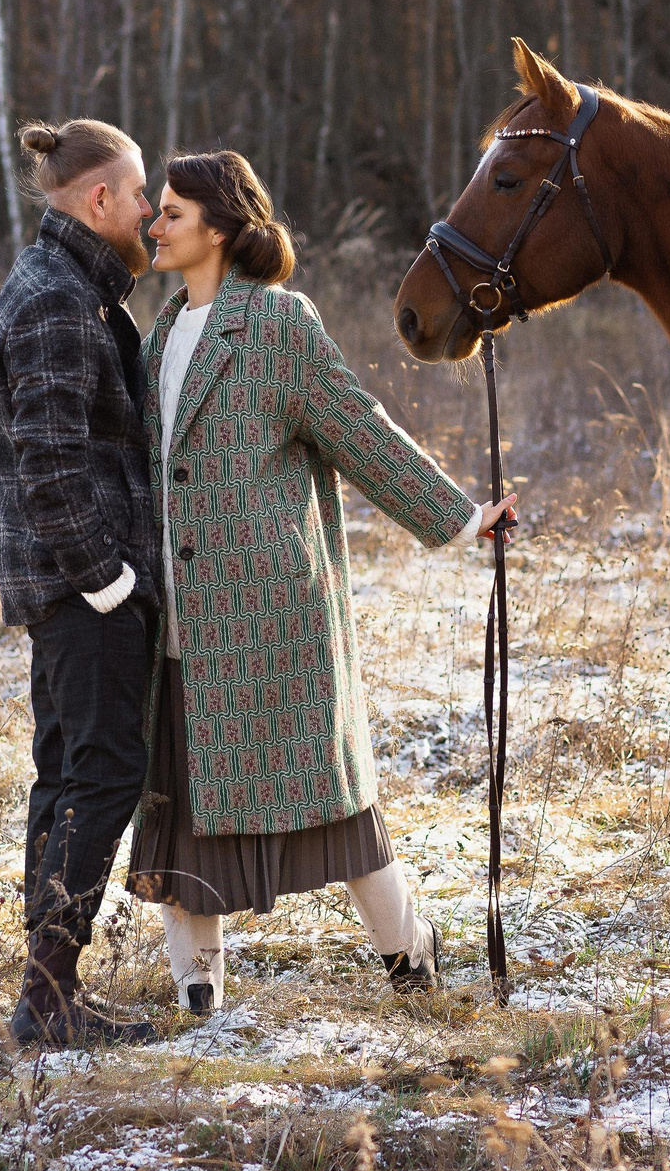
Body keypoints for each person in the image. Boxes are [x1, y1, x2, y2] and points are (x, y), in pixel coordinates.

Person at [127, 150, 515, 1017]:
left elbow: (357, 427)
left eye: (173, 213)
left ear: (219, 230)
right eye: (156, 211)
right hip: (182, 617)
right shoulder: (157, 335)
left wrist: (460, 515)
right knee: (183, 799)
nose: (156, 225)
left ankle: (410, 955)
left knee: (339, 808)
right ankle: (198, 983)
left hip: (271, 614)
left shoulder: (278, 324)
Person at [0, 118, 164, 1048]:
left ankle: (45, 994)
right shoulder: (57, 301)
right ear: (98, 199)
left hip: (68, 591)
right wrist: (113, 586)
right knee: (106, 773)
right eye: (139, 195)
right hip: (81, 592)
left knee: (66, 774)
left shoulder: (75, 291)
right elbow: (51, 469)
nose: (151, 211)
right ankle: (47, 994)